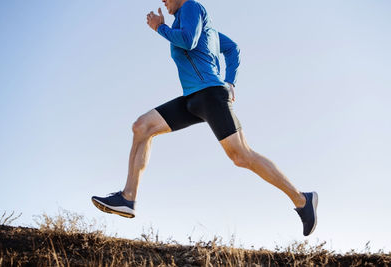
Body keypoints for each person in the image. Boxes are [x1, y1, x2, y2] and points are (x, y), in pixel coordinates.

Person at [92, 0, 318, 236]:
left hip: (209, 94)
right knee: (142, 126)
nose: (162, 1)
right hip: (191, 99)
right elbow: (230, 47)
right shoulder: (196, 24)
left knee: (241, 156)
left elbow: (189, 41)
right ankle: (128, 198)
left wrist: (161, 28)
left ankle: (302, 200)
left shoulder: (191, 7)